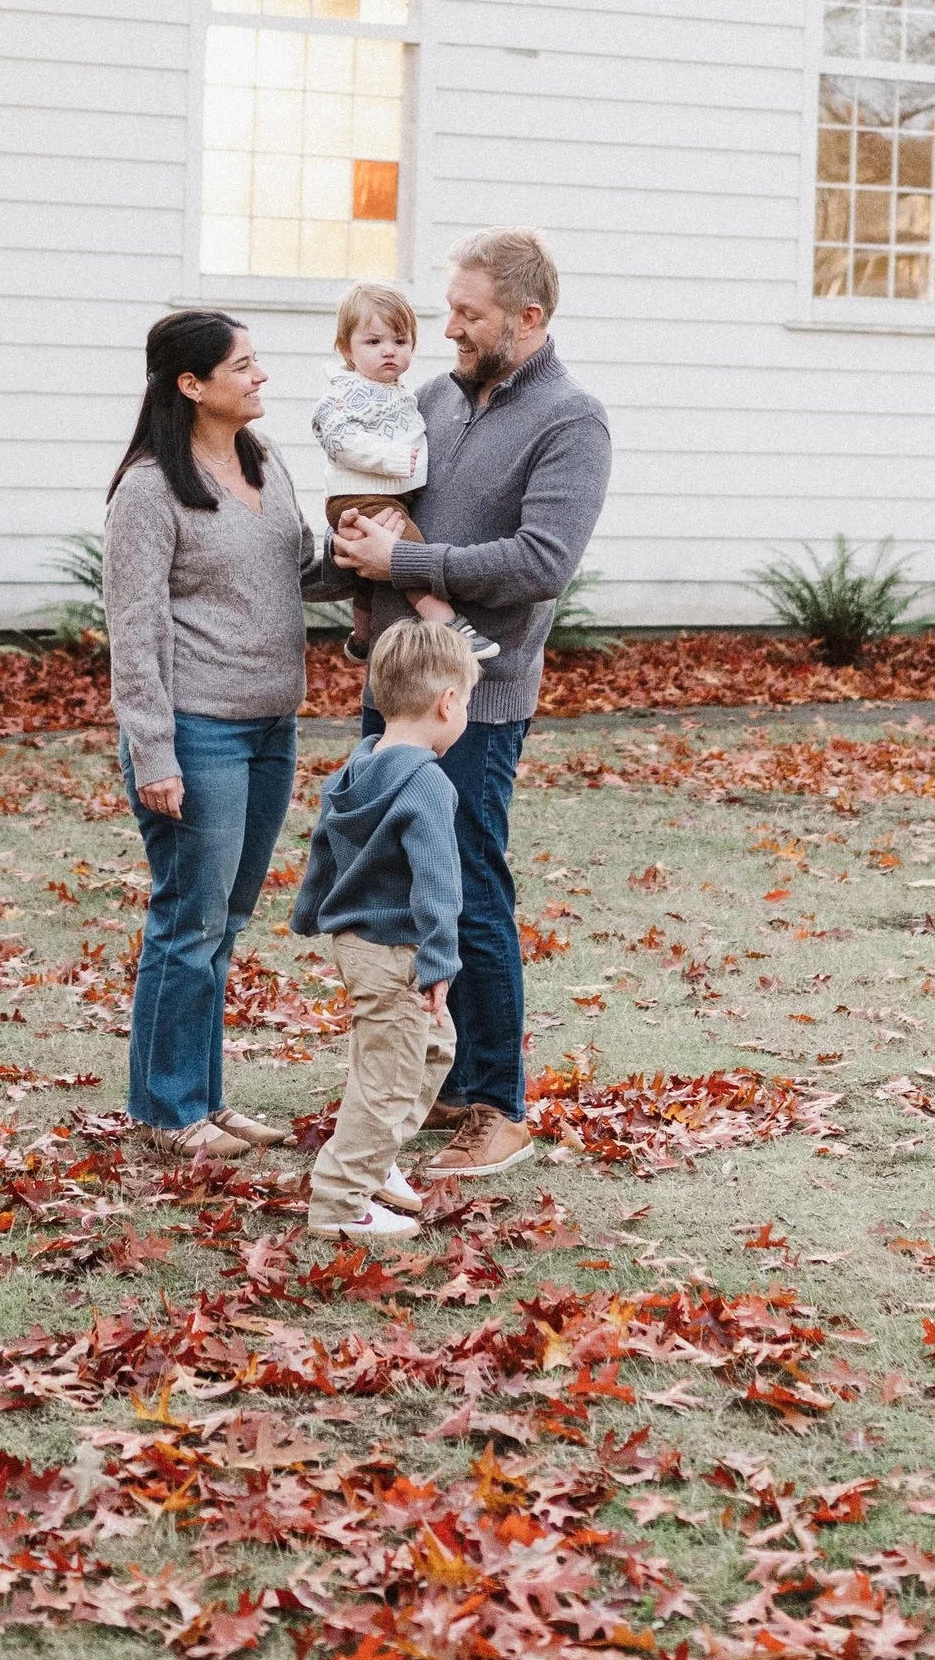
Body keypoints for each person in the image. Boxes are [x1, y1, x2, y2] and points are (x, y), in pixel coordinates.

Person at [334, 228, 611, 1180]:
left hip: (476, 703)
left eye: (468, 314)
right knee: (407, 887)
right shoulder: (432, 402)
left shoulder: (572, 421)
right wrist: (359, 552)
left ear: (528, 320)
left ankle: (499, 1103)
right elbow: (391, 510)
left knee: (472, 887)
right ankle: (437, 1081)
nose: (444, 327)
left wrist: (404, 560)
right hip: (393, 684)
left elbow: (542, 562)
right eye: (448, 307)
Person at [104, 309, 339, 1162]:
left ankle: (202, 1096)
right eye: (244, 364)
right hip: (197, 731)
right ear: (191, 384)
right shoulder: (147, 490)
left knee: (225, 920)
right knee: (188, 920)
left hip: (272, 724)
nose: (262, 376)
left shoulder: (263, 462)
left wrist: (368, 548)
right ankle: (168, 1113)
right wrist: (154, 752)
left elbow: (299, 571)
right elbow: (135, 632)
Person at [290, 621, 479, 1243]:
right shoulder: (426, 781)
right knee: (389, 1076)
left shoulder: (358, 764)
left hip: (360, 946)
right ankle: (341, 1201)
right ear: (447, 702)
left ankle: (377, 1159)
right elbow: (437, 883)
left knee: (431, 1049)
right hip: (400, 951)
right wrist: (441, 961)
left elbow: (324, 847)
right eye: (468, 704)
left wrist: (310, 911)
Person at [312, 281, 430, 662]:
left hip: (389, 491)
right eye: (374, 342)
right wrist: (388, 459)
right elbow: (337, 437)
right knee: (408, 548)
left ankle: (362, 638)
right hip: (358, 493)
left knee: (371, 574)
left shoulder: (400, 390)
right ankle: (443, 619)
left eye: (400, 341)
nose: (389, 351)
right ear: (347, 349)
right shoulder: (347, 393)